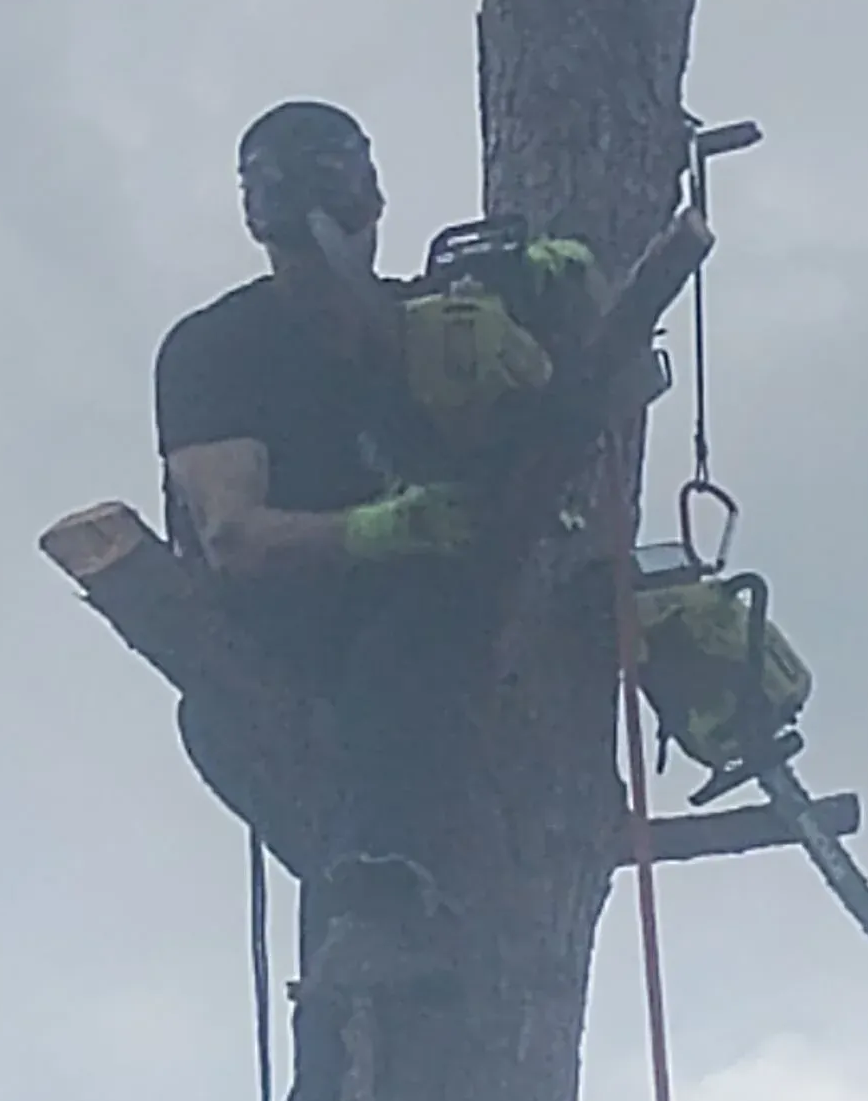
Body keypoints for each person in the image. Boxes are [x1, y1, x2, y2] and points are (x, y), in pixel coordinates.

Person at [153, 99, 486, 1101]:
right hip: (274, 660)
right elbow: (232, 538)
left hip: (415, 681)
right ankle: (369, 903)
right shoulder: (221, 349)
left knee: (417, 629)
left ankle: (353, 1006)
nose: (318, 283)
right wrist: (375, 532)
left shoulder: (428, 334)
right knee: (405, 618)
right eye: (297, 257)